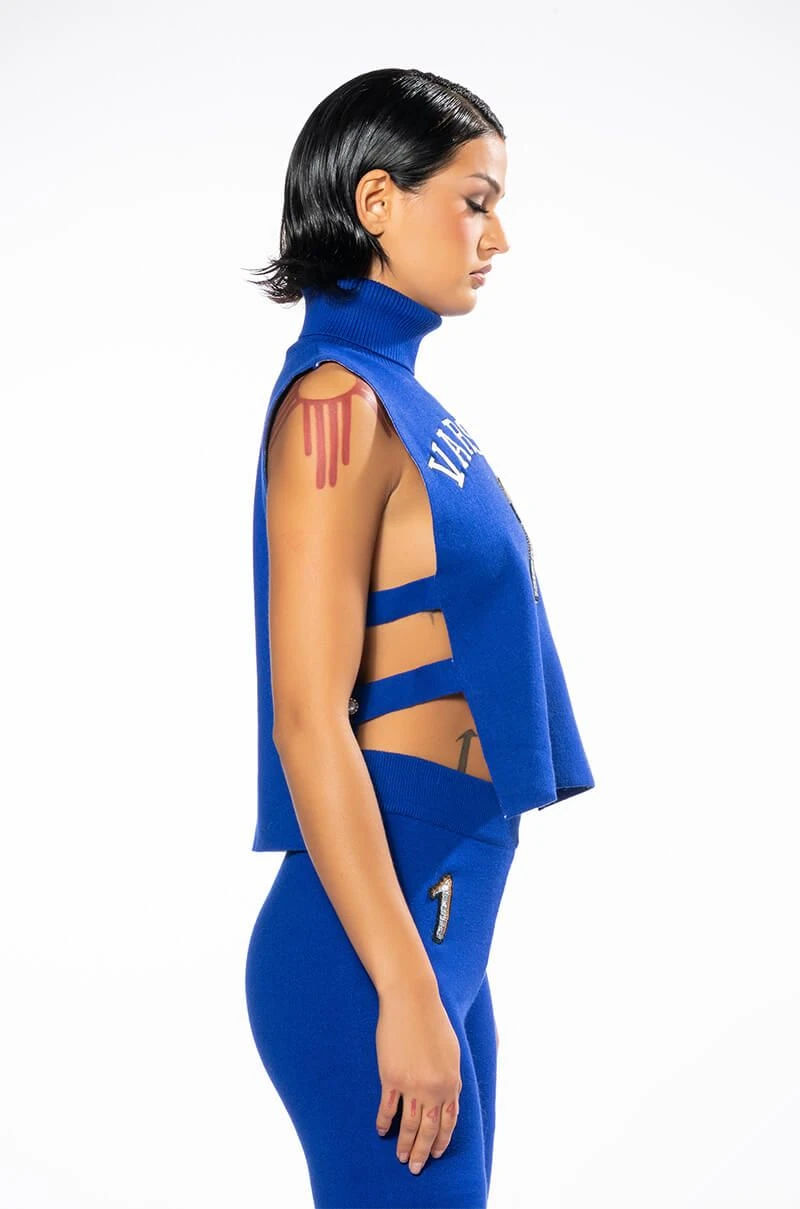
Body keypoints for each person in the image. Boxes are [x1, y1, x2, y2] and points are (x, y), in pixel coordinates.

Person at [244, 67, 595, 1209]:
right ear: (378, 201)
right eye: (475, 201)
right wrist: (401, 987)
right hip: (368, 942)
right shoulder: (334, 407)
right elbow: (309, 721)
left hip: (442, 910)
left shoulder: (401, 402)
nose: (497, 237)